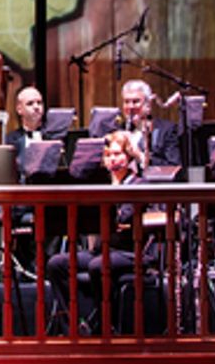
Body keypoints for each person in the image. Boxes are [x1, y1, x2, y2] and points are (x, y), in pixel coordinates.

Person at [45, 130, 156, 332]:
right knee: (56, 264)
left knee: (98, 265)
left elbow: (123, 216)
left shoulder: (139, 184)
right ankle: (72, 326)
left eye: (117, 154)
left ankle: (105, 325)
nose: (112, 159)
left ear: (129, 156)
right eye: (108, 155)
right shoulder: (100, 185)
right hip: (103, 249)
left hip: (131, 252)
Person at [119, 79, 181, 167]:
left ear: (148, 104)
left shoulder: (166, 130)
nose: (130, 106)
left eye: (136, 101)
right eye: (126, 102)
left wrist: (140, 156)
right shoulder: (118, 130)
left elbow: (174, 166)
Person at [5, 86, 45, 169]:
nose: (36, 107)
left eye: (39, 102)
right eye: (30, 103)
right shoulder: (9, 140)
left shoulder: (53, 136)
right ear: (19, 109)